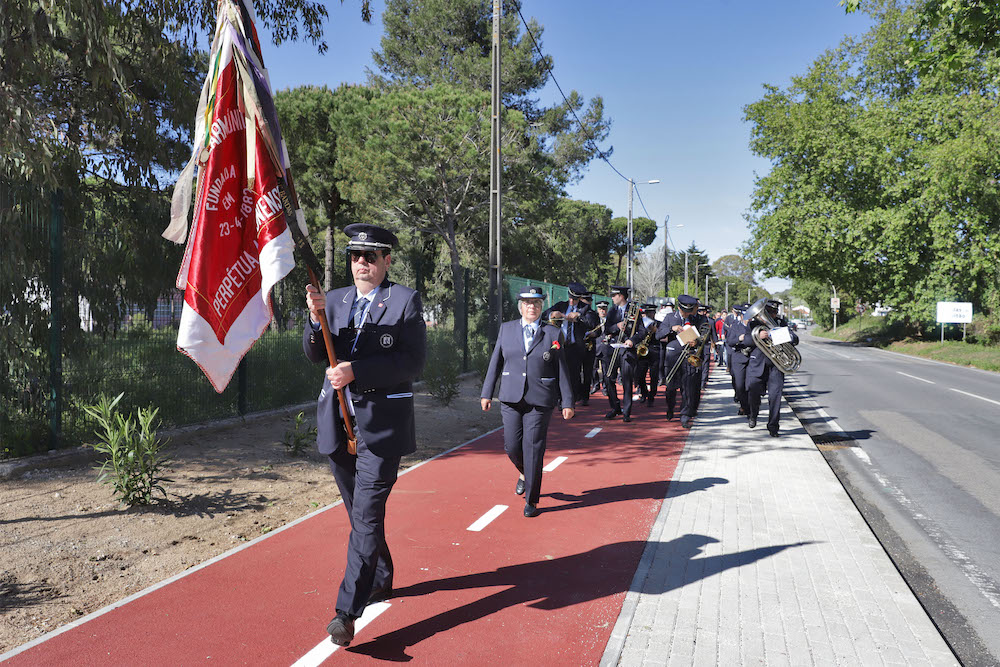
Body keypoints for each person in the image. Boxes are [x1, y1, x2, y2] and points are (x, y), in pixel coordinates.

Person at [303, 223, 426, 647]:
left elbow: (412, 362)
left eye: (371, 257)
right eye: (356, 256)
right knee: (360, 515)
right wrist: (314, 318)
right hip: (339, 425)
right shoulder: (334, 300)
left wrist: (357, 371)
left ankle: (346, 611)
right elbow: (315, 353)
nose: (362, 263)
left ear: (386, 261)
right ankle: (382, 576)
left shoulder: (405, 300)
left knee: (367, 516)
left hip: (381, 427)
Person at [481, 286, 575, 517]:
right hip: (510, 396)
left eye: (536, 303)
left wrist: (567, 401)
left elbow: (562, 368)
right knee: (512, 446)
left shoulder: (553, 333)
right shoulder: (506, 329)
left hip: (540, 398)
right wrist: (486, 393)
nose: (531, 307)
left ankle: (532, 501)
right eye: (527, 303)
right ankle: (525, 472)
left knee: (533, 448)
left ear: (541, 307)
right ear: (520, 307)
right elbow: (495, 362)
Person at [745, 299, 800, 437]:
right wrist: (758, 336)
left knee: (775, 397)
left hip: (776, 366)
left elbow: (795, 339)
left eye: (775, 312)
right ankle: (753, 415)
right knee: (753, 393)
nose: (773, 314)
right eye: (769, 312)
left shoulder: (781, 323)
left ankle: (773, 426)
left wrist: (779, 335)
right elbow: (746, 341)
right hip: (757, 365)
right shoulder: (754, 324)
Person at [656, 294, 709, 428]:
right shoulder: (670, 318)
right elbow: (658, 334)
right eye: (685, 311)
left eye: (689, 311)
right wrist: (671, 329)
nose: (687, 314)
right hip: (673, 357)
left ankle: (685, 415)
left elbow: (704, 336)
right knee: (670, 388)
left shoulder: (697, 319)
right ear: (679, 308)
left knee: (688, 388)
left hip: (689, 357)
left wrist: (697, 342)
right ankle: (670, 407)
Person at [543, 282, 599, 406]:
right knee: (558, 373)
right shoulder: (561, 305)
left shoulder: (585, 308)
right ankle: (559, 400)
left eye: (575, 299)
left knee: (573, 376)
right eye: (570, 298)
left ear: (579, 298)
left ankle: (570, 403)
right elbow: (544, 314)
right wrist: (552, 314)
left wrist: (579, 316)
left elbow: (592, 322)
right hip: (560, 345)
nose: (572, 301)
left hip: (575, 347)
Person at [602, 286, 644, 422]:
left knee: (626, 380)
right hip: (613, 348)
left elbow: (642, 331)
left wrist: (632, 340)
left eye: (614, 295)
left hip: (627, 349)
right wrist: (617, 326)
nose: (612, 298)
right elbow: (606, 329)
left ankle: (627, 411)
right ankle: (615, 407)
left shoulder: (634, 311)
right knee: (608, 378)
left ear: (621, 296)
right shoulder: (612, 311)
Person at [726, 303, 754, 418]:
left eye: (750, 317)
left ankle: (749, 409)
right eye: (747, 317)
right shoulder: (735, 326)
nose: (749, 320)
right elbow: (729, 341)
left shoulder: (755, 326)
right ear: (742, 316)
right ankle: (744, 406)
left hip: (752, 359)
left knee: (751, 385)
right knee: (739, 385)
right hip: (739, 358)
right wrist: (739, 338)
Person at [634, 303, 661, 406]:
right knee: (640, 374)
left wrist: (656, 331)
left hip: (654, 350)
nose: (649, 315)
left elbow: (662, 336)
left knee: (654, 376)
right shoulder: (641, 323)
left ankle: (651, 396)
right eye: (647, 312)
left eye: (651, 312)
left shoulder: (659, 324)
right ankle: (644, 392)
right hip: (643, 350)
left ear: (654, 313)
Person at [591, 301, 610, 395]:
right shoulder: (594, 320)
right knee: (593, 368)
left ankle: (605, 387)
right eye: (600, 309)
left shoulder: (610, 320)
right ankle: (596, 384)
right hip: (595, 346)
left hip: (606, 347)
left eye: (604, 309)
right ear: (597, 310)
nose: (602, 311)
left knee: (605, 369)